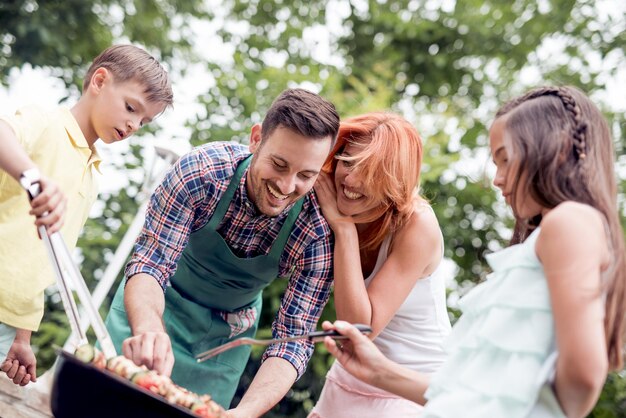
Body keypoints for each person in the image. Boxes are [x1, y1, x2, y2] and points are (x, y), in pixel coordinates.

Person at [320, 86, 626, 418]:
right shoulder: (550, 235)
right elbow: (483, 393)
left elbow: (581, 379)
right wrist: (379, 371)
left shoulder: (569, 221)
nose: (496, 179)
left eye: (505, 159)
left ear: (554, 149)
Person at [103, 88, 340, 415]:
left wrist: (243, 414)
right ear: (256, 139)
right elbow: (150, 264)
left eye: (305, 175)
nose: (286, 187)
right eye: (279, 164)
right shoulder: (201, 172)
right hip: (154, 306)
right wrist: (148, 330)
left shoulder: (315, 234)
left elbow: (292, 342)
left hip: (225, 339)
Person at [0, 44, 173, 387]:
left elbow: (44, 261)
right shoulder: (47, 123)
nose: (134, 124)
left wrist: (22, 338)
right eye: (130, 108)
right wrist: (32, 178)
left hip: (8, 325)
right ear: (99, 81)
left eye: (144, 121)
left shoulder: (92, 175)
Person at [308, 112, 451, 417]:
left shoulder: (416, 223)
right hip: (353, 371)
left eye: (370, 171)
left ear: (393, 180)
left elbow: (358, 328)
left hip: (411, 385)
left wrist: (344, 229)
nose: (352, 180)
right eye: (348, 162)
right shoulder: (328, 194)